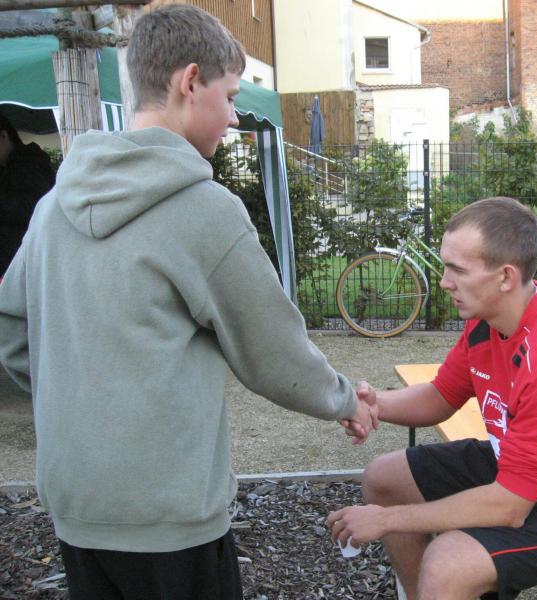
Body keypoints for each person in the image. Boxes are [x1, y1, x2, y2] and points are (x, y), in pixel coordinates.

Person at [0, 5, 376, 600]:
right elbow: (271, 350)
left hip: (77, 508)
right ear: (190, 81)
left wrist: (76, 398)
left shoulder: (52, 208)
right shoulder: (204, 210)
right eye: (230, 96)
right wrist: (344, 399)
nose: (233, 117)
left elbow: (12, 330)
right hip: (169, 515)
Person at [329, 197, 537, 600]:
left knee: (448, 563)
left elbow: (509, 506)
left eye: (457, 269)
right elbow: (440, 396)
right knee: (385, 478)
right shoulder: (490, 318)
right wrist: (372, 403)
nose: (445, 282)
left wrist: (386, 520)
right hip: (525, 465)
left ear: (505, 277)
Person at [0, 112, 55, 276]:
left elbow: (35, 206)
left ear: (4, 136)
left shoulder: (28, 163)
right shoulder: (8, 166)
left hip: (26, 262)